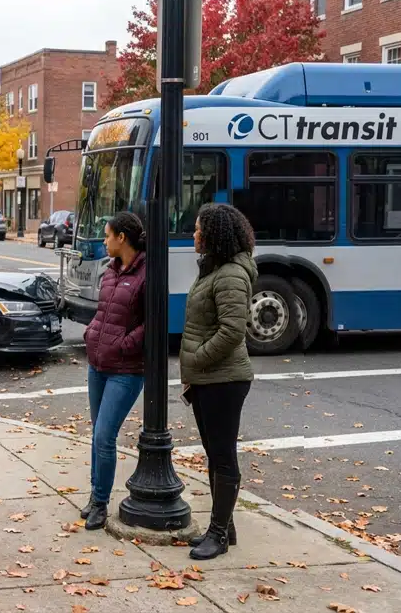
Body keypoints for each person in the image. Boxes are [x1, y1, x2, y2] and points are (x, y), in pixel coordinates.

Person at [181, 203, 257, 561]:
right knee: (214, 455)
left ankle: (219, 535)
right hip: (209, 378)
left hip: (224, 379)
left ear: (215, 235)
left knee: (223, 456)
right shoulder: (215, 269)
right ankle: (224, 526)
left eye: (199, 229)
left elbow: (232, 331)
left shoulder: (229, 274)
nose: (194, 234)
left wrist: (197, 359)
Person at [80, 212, 147, 530]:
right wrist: (91, 333)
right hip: (98, 364)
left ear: (122, 238)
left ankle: (101, 504)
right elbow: (103, 312)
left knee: (105, 436)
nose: (104, 241)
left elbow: (152, 324)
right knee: (96, 436)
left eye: (107, 236)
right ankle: (95, 496)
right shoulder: (110, 272)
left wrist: (123, 345)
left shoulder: (147, 273)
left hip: (127, 369)